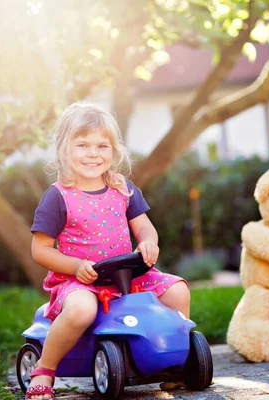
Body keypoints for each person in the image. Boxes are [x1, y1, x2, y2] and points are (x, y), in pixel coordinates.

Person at [26, 102, 190, 399]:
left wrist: (148, 243)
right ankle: (45, 368)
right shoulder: (58, 196)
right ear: (65, 148)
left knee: (178, 291)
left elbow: (145, 228)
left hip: (127, 275)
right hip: (80, 280)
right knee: (81, 310)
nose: (93, 153)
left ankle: (172, 361)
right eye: (83, 145)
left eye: (102, 145)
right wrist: (75, 266)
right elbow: (40, 250)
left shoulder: (122, 188)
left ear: (114, 150)